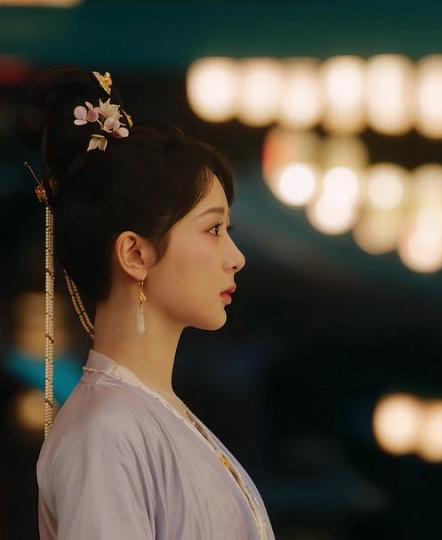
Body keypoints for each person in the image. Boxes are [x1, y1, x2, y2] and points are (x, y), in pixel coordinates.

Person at [17, 66, 274, 539]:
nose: (236, 258)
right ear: (135, 254)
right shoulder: (106, 431)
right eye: (213, 229)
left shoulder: (146, 415)